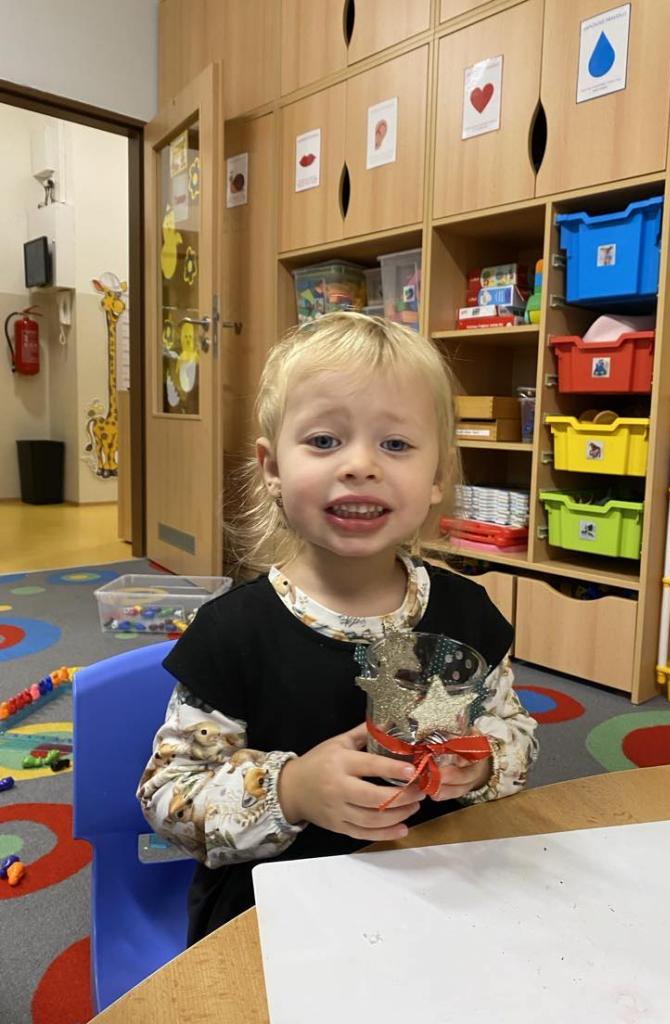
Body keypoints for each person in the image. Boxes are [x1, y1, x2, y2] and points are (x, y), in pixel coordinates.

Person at [137, 312, 539, 943]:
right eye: (325, 440)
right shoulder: (232, 633)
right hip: (278, 912)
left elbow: (516, 733)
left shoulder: (468, 614)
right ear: (272, 468)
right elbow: (168, 797)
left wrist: (484, 762)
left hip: (435, 892)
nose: (360, 465)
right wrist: (292, 791)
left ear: (438, 476)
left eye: (396, 444)